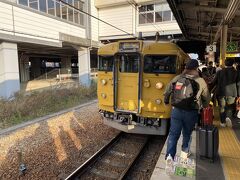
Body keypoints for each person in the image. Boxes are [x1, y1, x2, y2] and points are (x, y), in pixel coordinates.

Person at [164, 59, 210, 162]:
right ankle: (184, 155)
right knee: (187, 134)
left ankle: (169, 157)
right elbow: (206, 98)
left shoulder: (178, 78)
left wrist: (166, 101)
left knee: (173, 134)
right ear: (196, 68)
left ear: (186, 67)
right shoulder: (200, 81)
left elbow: (167, 91)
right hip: (191, 111)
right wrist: (205, 106)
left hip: (176, 110)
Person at [212, 58, 239, 127]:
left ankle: (222, 122)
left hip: (221, 92)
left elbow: (214, 82)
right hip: (232, 92)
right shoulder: (237, 72)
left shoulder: (220, 72)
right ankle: (228, 118)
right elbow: (238, 84)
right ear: (233, 63)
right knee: (230, 106)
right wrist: (239, 94)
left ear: (225, 63)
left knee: (222, 107)